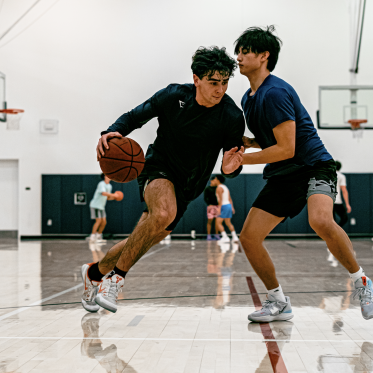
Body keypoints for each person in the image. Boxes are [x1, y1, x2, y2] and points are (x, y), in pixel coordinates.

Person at [222, 25, 373, 322]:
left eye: (245, 51)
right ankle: (277, 301)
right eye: (237, 51)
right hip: (284, 173)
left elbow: (287, 148)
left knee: (320, 220)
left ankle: (362, 283)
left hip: (313, 165)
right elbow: (271, 141)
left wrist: (242, 160)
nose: (238, 57)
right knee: (249, 237)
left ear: (264, 56)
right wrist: (245, 143)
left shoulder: (274, 92)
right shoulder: (248, 98)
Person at [80, 46, 245, 313]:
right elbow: (136, 116)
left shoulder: (231, 116)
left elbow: (230, 165)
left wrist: (231, 169)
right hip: (158, 168)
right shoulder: (173, 96)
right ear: (196, 79)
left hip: (189, 186)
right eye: (214, 82)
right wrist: (112, 131)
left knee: (142, 237)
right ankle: (115, 280)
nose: (220, 89)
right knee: (163, 212)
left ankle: (94, 273)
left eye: (225, 82)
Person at [211, 175, 239, 243]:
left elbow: (220, 200)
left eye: (214, 179)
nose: (212, 181)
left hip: (223, 206)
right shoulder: (225, 187)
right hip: (228, 205)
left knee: (218, 223)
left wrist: (219, 209)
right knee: (228, 223)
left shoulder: (219, 188)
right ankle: (235, 237)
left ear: (217, 180)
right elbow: (229, 198)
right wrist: (232, 207)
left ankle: (225, 237)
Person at [88, 174, 116, 243]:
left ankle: (98, 236)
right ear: (105, 177)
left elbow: (108, 197)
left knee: (104, 222)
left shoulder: (109, 186)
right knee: (98, 221)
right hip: (95, 205)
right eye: (108, 175)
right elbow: (103, 193)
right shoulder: (101, 184)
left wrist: (116, 197)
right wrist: (114, 194)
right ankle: (92, 237)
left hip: (101, 207)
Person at [334, 161, 351, 227]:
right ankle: (336, 232)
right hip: (337, 201)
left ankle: (333, 234)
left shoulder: (328, 175)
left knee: (332, 221)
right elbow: (344, 190)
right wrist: (347, 204)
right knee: (344, 218)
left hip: (329, 201)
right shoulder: (341, 176)